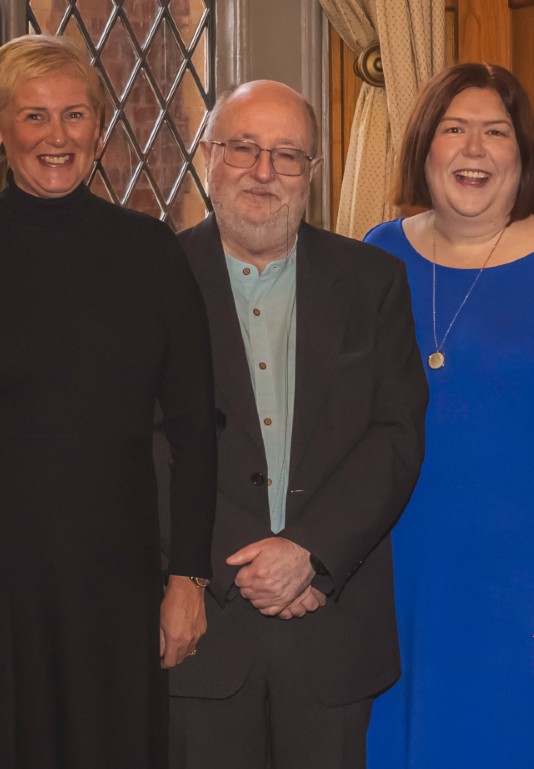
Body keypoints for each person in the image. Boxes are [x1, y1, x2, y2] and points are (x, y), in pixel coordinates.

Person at [0, 35, 217, 769]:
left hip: (116, 579)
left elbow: (197, 426)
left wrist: (188, 578)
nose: (57, 136)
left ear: (98, 126)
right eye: (34, 116)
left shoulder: (152, 253)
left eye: (74, 115)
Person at [364, 63, 534, 768]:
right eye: (454, 129)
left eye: (496, 132)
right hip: (399, 573)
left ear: (524, 153)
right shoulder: (378, 253)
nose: (474, 149)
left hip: (533, 582)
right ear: (425, 146)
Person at [165, 79, 427, 769]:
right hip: (203, 628)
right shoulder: (153, 279)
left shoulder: (374, 280)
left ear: (314, 172)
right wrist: (245, 561)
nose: (263, 171)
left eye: (287, 155)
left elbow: (396, 433)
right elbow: (142, 443)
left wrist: (309, 551)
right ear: (209, 155)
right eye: (244, 148)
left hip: (330, 619)